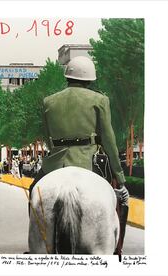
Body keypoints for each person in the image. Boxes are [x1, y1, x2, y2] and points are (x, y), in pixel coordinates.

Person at [28, 56, 129, 255]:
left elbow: (48, 140)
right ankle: (117, 249)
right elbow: (108, 140)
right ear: (90, 78)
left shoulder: (49, 101)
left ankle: (36, 249)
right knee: (121, 199)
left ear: (67, 76)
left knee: (34, 193)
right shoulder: (100, 100)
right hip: (89, 162)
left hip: (56, 163)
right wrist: (120, 177)